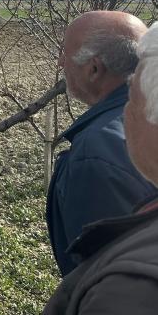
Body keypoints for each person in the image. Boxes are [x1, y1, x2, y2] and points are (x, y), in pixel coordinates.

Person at [44, 22, 158, 314]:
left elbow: (103, 268)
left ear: (93, 69)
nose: (60, 63)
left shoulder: (96, 153)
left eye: (65, 54)